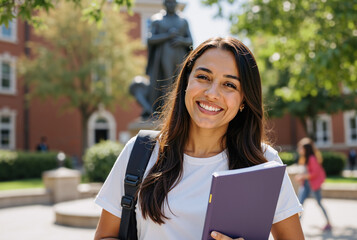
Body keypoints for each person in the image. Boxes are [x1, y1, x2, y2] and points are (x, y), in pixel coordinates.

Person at [94, 37, 304, 240]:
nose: (212, 93)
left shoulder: (263, 162)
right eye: (203, 77)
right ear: (186, 81)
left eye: (229, 85)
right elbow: (105, 236)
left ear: (243, 100)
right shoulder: (140, 151)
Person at [146, 0, 193, 115]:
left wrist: (181, 40)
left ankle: (179, 111)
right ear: (164, 4)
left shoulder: (183, 20)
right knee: (165, 83)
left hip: (180, 56)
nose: (171, 5)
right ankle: (164, 112)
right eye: (168, 2)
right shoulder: (157, 19)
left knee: (179, 82)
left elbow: (190, 41)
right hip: (163, 57)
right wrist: (168, 36)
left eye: (173, 2)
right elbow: (150, 39)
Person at [295, 138, 332, 232]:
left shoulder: (312, 158)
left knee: (319, 203)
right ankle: (297, 226)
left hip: (313, 185)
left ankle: (328, 223)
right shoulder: (304, 159)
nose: (299, 149)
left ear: (306, 149)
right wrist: (302, 177)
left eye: (301, 148)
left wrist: (302, 176)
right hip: (306, 185)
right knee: (300, 205)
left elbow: (314, 173)